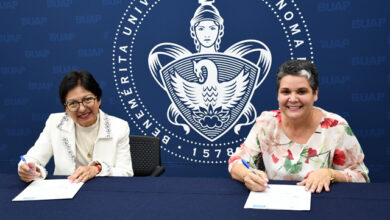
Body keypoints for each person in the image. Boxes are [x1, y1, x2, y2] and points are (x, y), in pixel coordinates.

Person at [228, 60, 369, 193]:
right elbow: (236, 162)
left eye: (301, 92)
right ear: (278, 95)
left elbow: (361, 177)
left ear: (315, 94)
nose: (293, 99)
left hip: (322, 204)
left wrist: (331, 174)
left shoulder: (336, 127)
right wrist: (247, 175)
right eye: (286, 92)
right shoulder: (266, 122)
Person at [18, 70, 133, 183]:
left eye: (87, 99)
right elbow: (32, 159)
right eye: (73, 103)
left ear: (98, 100)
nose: (82, 108)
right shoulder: (55, 123)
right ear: (66, 109)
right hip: (65, 191)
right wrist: (29, 170)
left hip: (103, 193)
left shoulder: (119, 127)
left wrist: (97, 169)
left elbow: (126, 173)